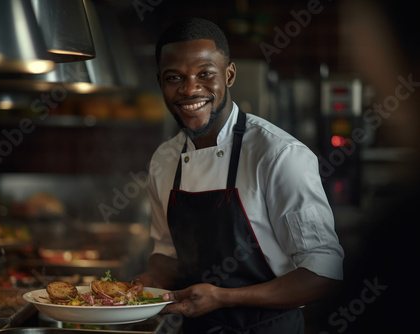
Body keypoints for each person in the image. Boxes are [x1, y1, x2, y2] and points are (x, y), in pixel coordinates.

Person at [133, 17, 344, 333]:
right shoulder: (165, 159)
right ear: (161, 82)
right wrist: (147, 283)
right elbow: (167, 252)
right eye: (174, 77)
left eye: (205, 74)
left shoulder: (278, 155)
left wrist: (224, 297)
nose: (190, 89)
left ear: (229, 75)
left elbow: (323, 273)